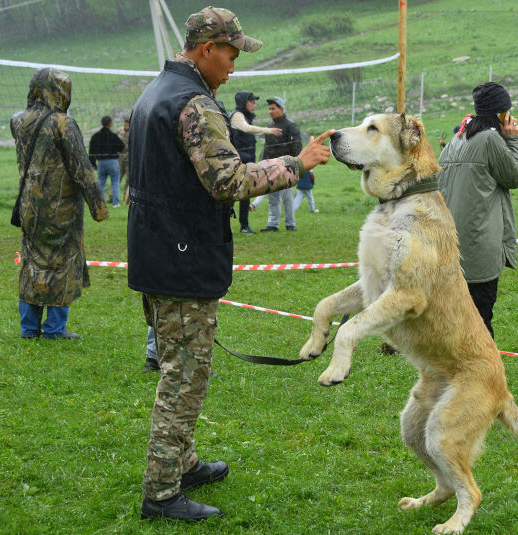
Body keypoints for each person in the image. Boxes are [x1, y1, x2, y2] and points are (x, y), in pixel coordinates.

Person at [127, 6, 333, 521]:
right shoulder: (194, 104)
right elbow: (228, 182)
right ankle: (161, 493)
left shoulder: (154, 92)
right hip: (181, 258)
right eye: (231, 53)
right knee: (184, 377)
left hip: (159, 253)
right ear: (204, 50)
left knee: (182, 368)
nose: (235, 66)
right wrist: (294, 164)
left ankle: (182, 461)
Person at [11, 68, 108, 339]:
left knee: (31, 263)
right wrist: (98, 207)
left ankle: (29, 327)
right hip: (60, 208)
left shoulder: (17, 120)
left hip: (29, 207)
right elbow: (83, 169)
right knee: (62, 264)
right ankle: (54, 328)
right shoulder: (62, 123)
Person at [437, 82, 518, 338]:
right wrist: (512, 139)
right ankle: (481, 374)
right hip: (479, 247)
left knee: (457, 320)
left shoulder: (456, 139)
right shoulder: (489, 139)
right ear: (500, 114)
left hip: (451, 245)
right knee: (480, 322)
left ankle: (455, 372)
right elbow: (515, 176)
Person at [230, 90, 282, 233]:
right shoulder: (237, 116)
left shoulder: (246, 116)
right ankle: (223, 225)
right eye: (251, 101)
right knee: (232, 194)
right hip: (237, 162)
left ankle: (244, 226)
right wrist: (268, 131)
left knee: (245, 193)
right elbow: (247, 129)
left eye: (254, 102)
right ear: (243, 103)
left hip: (247, 160)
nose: (254, 104)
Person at [260, 96, 302, 232]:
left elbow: (297, 147)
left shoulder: (291, 125)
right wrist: (262, 162)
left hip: (286, 166)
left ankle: (291, 224)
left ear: (281, 109)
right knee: (273, 197)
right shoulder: (269, 127)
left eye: (273, 108)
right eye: (269, 109)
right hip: (271, 167)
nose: (270, 111)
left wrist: (294, 165)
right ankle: (272, 224)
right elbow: (266, 147)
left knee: (288, 197)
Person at [89, 115, 125, 208]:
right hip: (113, 161)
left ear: (101, 124)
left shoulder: (95, 137)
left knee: (101, 182)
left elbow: (91, 152)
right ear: (110, 124)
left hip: (101, 162)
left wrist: (93, 164)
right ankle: (116, 203)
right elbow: (121, 147)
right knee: (115, 182)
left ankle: (101, 202)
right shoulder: (113, 136)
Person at [117, 118, 131, 204]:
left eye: (128, 124)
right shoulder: (119, 131)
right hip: (120, 157)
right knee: (118, 177)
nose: (126, 125)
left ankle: (125, 199)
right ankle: (113, 197)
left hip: (129, 157)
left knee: (128, 179)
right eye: (125, 123)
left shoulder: (133, 132)